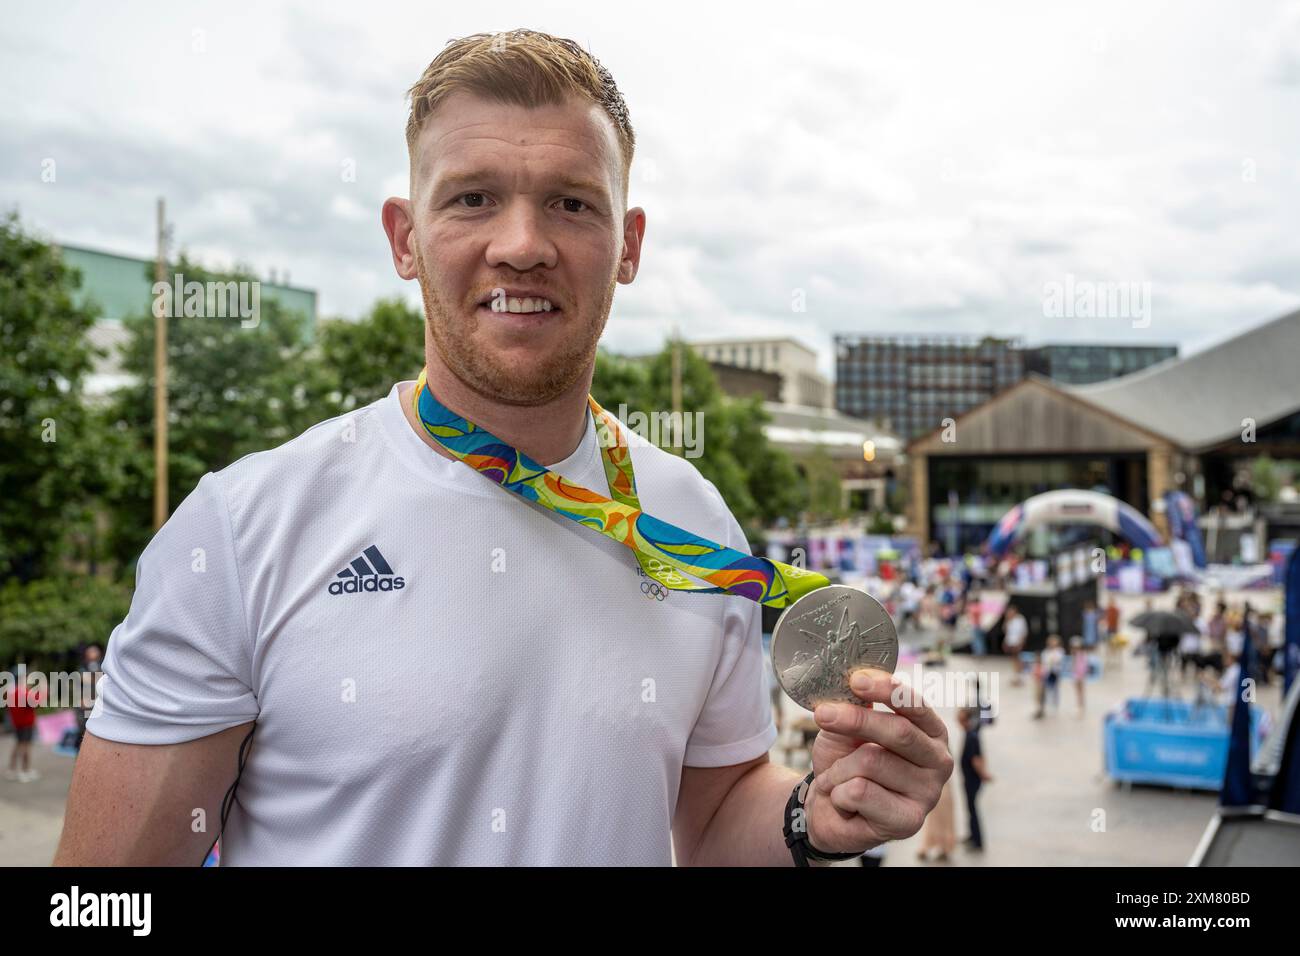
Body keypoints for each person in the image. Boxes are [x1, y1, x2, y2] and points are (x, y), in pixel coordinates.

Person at [56, 29, 951, 867]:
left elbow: (712, 818)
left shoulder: (688, 521)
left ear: (627, 246)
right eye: (473, 198)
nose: (522, 246)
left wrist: (814, 815)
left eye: (570, 203)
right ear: (405, 239)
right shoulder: (244, 528)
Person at [958, 708, 991, 851]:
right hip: (969, 778)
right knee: (970, 809)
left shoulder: (971, 736)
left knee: (973, 809)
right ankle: (972, 835)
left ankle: (977, 841)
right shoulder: (970, 733)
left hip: (972, 779)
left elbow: (976, 759)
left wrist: (984, 774)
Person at [4, 672, 45, 783]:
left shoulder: (13, 692)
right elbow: (36, 703)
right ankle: (24, 771)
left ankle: (12, 769)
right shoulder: (23, 692)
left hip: (18, 723)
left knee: (18, 744)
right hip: (25, 723)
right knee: (25, 746)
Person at [1003, 604, 1028, 686]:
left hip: (1017, 642)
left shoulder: (1020, 619)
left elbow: (1023, 632)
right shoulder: (1009, 620)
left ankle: (1020, 677)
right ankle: (1016, 676)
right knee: (1014, 659)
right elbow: (1006, 632)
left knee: (1018, 659)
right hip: (1010, 642)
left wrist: (1021, 643)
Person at [1069, 636, 1089, 714]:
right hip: (1075, 675)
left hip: (1080, 675)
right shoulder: (1073, 655)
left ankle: (1081, 705)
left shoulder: (1082, 654)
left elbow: (1084, 665)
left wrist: (1082, 674)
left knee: (1081, 691)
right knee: (1077, 691)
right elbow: (1073, 666)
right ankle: (1079, 705)